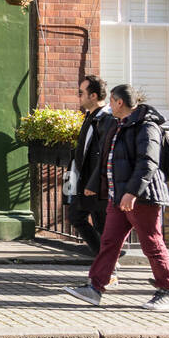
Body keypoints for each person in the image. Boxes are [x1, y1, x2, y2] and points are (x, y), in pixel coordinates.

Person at [66, 84, 169, 310]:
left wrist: (132, 192)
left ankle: (167, 291)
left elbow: (148, 162)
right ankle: (95, 288)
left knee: (152, 244)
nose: (109, 106)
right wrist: (97, 185)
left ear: (119, 102)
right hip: (118, 197)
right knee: (109, 242)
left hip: (142, 197)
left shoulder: (147, 126)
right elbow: (108, 159)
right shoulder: (119, 125)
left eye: (112, 101)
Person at [69, 75, 115, 257]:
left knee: (98, 224)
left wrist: (95, 182)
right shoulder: (91, 116)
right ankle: (105, 262)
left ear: (93, 96)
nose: (79, 97)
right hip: (86, 180)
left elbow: (104, 154)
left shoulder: (106, 119)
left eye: (81, 93)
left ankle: (107, 264)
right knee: (81, 218)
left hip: (96, 183)